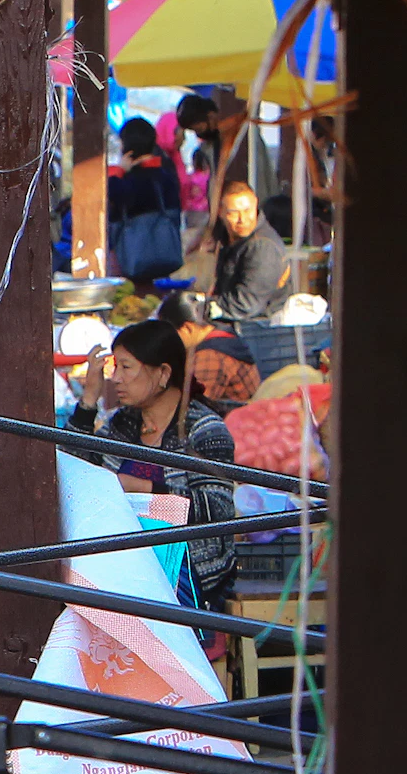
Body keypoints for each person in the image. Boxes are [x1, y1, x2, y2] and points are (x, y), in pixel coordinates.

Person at [64, 320, 243, 608]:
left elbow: (217, 508)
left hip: (188, 572)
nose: (116, 379)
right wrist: (87, 403)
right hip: (127, 564)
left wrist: (146, 489)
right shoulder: (123, 424)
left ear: (163, 374)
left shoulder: (203, 430)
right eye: (114, 368)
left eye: (126, 367)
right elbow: (73, 470)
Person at [105, 117, 183, 289]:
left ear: (127, 146)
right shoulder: (167, 175)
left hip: (132, 259)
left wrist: (119, 171)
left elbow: (114, 195)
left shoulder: (126, 180)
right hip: (164, 254)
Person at [203, 178, 294, 323]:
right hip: (234, 321)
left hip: (257, 327)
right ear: (220, 212)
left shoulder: (262, 246)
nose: (242, 219)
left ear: (256, 205)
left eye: (247, 210)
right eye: (234, 213)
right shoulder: (227, 238)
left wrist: (202, 307)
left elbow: (247, 304)